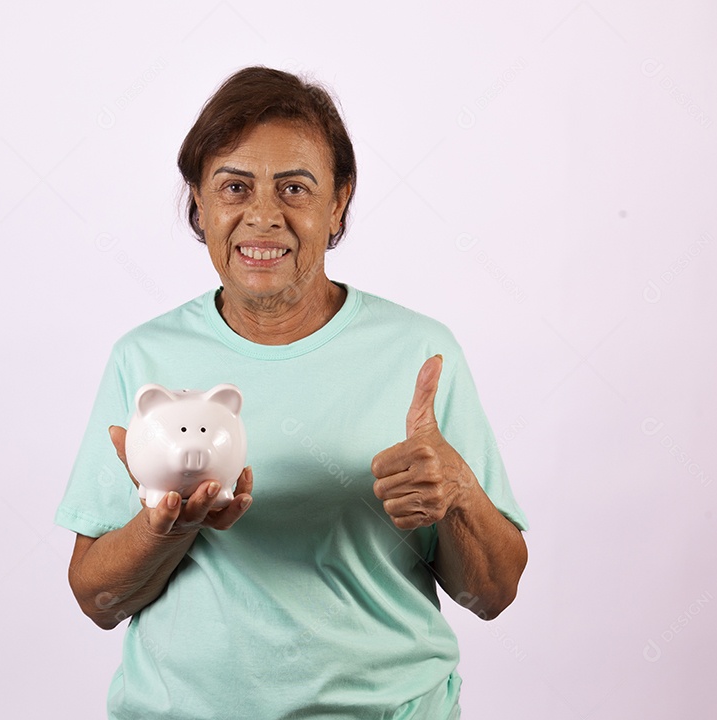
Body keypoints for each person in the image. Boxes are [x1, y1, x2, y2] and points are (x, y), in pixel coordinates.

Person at [55, 66, 528, 719]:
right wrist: (167, 527)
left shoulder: (419, 352)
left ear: (338, 203)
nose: (263, 216)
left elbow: (493, 593)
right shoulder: (145, 358)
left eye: (295, 188)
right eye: (235, 187)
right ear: (199, 204)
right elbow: (97, 600)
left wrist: (458, 495)